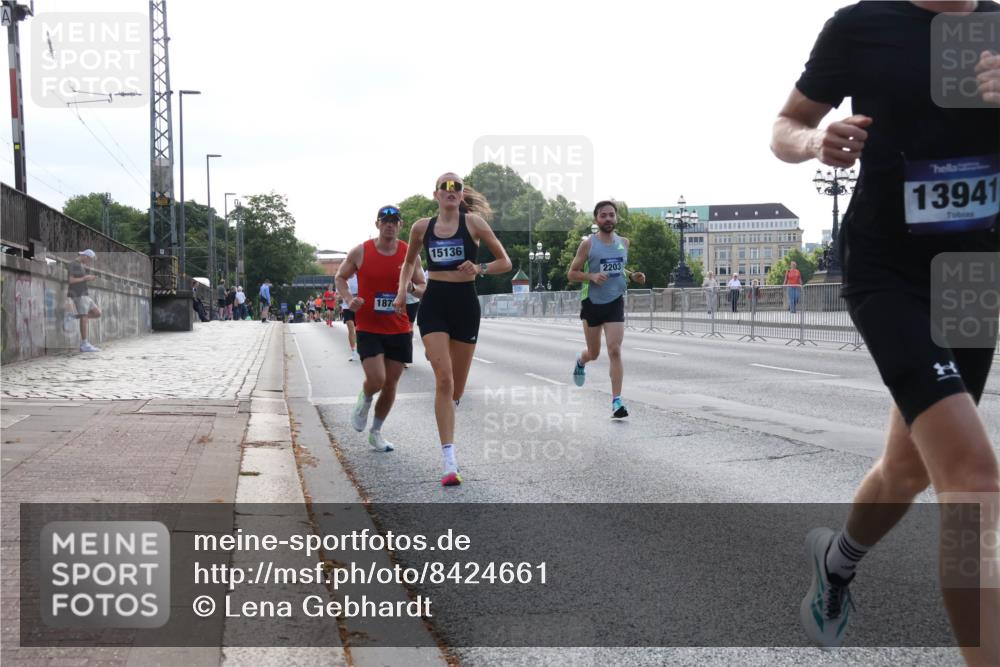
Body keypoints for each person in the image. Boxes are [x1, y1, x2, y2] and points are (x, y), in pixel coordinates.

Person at [772, 1, 999, 660]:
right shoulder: (860, 27)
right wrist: (817, 141)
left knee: (905, 471)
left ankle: (835, 563)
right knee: (974, 479)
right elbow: (785, 123)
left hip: (972, 278)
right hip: (887, 270)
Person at [393, 173, 511, 486]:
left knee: (455, 388)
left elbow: (505, 262)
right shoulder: (422, 227)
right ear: (435, 194)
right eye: (444, 186)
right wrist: (402, 291)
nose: (450, 190)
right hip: (434, 304)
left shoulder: (473, 224)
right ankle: (449, 461)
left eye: (455, 187)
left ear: (460, 195)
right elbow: (408, 262)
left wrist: (480, 267)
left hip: (465, 306)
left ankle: (450, 407)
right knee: (443, 379)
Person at [338, 205, 427, 452]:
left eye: (394, 221)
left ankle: (376, 432)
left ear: (400, 225)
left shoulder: (410, 254)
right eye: (385, 221)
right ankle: (365, 398)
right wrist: (349, 299)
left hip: (399, 327)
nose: (389, 225)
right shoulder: (361, 251)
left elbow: (422, 286)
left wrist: (409, 289)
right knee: (377, 379)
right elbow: (340, 277)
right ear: (377, 224)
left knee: (391, 384)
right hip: (368, 325)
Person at [567, 200, 647, 418]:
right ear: (596, 219)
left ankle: (616, 401)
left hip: (614, 301)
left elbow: (619, 268)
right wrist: (591, 276)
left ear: (616, 218)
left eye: (611, 215)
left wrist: (631, 275)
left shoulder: (624, 243)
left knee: (615, 350)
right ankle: (581, 360)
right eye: (603, 215)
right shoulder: (588, 244)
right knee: (594, 353)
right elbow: (571, 273)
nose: (608, 219)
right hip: (592, 302)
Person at [67, 249, 102, 352]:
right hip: (78, 294)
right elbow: (71, 280)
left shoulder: (80, 265)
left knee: (97, 313)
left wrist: (88, 278)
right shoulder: (74, 264)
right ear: (85, 256)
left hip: (84, 294)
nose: (89, 262)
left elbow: (80, 279)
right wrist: (85, 278)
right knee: (84, 316)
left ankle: (72, 317)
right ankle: (84, 344)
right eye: (90, 259)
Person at [341, 274, 360, 359]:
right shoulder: (343, 278)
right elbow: (339, 293)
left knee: (358, 329)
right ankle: (353, 351)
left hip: (357, 306)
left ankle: (360, 348)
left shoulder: (359, 277)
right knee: (351, 327)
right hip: (346, 306)